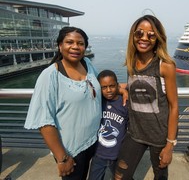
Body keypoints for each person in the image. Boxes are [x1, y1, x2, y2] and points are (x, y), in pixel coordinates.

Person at [24, 26, 127, 180]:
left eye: (80, 43)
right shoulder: (50, 76)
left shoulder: (86, 63)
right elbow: (44, 122)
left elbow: (102, 86)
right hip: (71, 149)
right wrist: (62, 158)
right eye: (69, 42)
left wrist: (120, 89)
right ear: (60, 45)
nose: (75, 47)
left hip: (94, 140)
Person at [114, 15, 179, 180]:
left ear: (158, 39)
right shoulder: (132, 62)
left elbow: (174, 106)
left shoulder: (165, 66)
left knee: (160, 176)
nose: (144, 38)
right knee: (120, 175)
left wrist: (170, 145)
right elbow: (136, 84)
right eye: (139, 34)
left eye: (151, 35)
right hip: (135, 132)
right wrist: (121, 88)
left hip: (159, 135)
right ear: (133, 36)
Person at [88, 70, 128, 180]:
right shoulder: (97, 102)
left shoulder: (124, 103)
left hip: (118, 155)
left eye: (112, 86)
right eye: (104, 87)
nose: (108, 90)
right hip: (98, 154)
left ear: (117, 85)